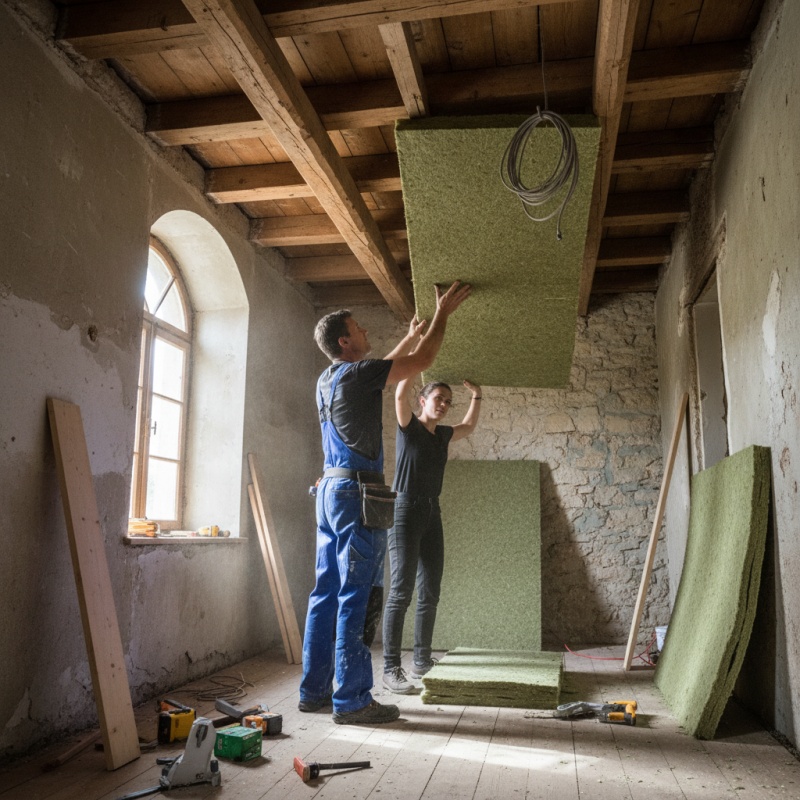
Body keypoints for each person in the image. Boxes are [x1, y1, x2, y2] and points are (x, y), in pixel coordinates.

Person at [299, 281, 471, 726]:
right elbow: (422, 362)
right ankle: (353, 700)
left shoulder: (328, 378)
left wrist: (409, 336)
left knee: (325, 593)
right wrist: (442, 314)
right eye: (358, 328)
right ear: (344, 341)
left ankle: (313, 691)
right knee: (359, 595)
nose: (365, 331)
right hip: (357, 494)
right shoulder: (357, 375)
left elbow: (381, 369)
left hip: (329, 491)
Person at [382, 375, 482, 693]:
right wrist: (417, 359)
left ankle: (421, 661)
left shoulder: (442, 435)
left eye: (448, 401)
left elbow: (468, 426)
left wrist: (477, 395)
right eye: (439, 398)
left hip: (431, 512)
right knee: (401, 592)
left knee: (430, 591)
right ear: (423, 400)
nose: (444, 405)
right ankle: (390, 669)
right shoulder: (408, 427)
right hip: (404, 511)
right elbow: (399, 394)